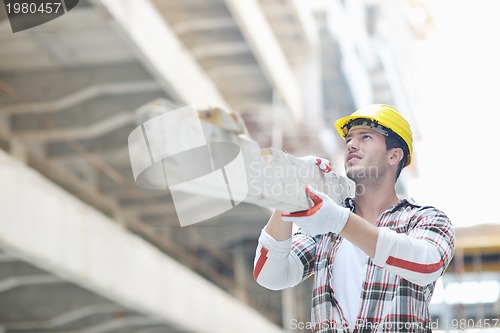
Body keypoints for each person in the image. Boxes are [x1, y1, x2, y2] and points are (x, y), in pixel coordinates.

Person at [253, 104, 455, 332]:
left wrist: (339, 221)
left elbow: (427, 264)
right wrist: (292, 191)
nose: (351, 144)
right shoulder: (326, 229)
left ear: (394, 155)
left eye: (365, 136)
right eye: (349, 139)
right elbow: (270, 275)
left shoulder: (425, 220)